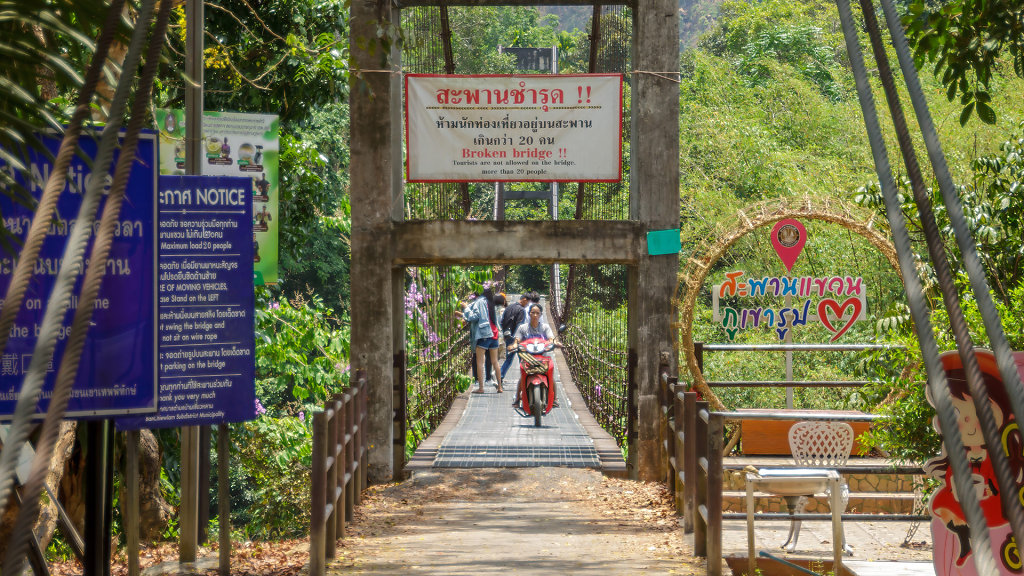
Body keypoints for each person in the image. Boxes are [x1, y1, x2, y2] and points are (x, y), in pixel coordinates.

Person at [455, 287, 502, 394]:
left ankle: (481, 388)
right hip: (494, 334)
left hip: (483, 334)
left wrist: (466, 308)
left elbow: (475, 317)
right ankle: (500, 387)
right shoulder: (490, 302)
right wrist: (463, 314)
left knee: (480, 362)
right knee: (495, 362)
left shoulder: (479, 301)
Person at [510, 303, 556, 405]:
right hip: (527, 357)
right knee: (523, 376)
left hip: (542, 357)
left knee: (551, 375)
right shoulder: (523, 328)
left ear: (540, 315)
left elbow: (551, 339)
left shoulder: (545, 327)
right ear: (529, 314)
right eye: (532, 313)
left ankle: (555, 399)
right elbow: (517, 340)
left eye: (537, 313)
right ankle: (518, 397)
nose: (535, 315)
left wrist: (554, 343)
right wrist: (514, 345)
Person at [499, 294, 528, 381]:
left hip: (508, 336)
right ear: (524, 299)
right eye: (527, 301)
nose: (527, 304)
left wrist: (505, 334)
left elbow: (502, 321)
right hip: (517, 338)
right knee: (523, 358)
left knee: (509, 358)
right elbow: (520, 325)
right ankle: (525, 378)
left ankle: (500, 376)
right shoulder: (522, 310)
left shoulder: (509, 307)